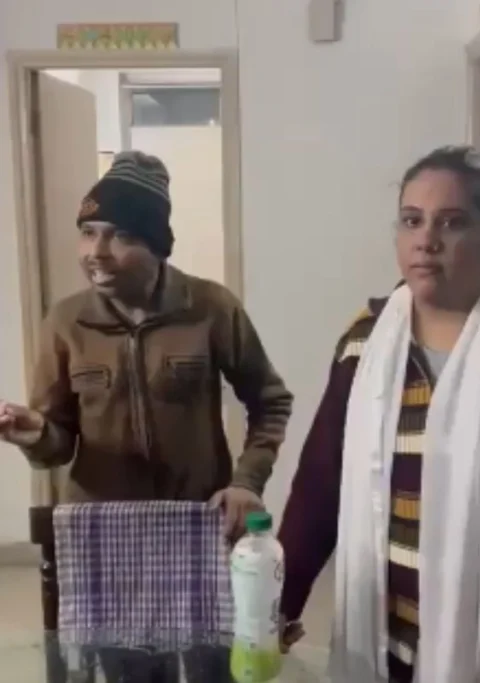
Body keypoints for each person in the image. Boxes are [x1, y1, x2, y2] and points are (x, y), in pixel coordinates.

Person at [0, 151, 294, 681]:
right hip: (105, 536)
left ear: (157, 244)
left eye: (121, 236)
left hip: (197, 525)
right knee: (124, 670)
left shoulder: (210, 307)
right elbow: (57, 446)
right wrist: (36, 433)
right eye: (88, 233)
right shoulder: (65, 322)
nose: (97, 253)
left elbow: (270, 400)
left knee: (211, 666)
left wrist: (247, 481)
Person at [276, 146, 480, 683]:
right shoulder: (367, 342)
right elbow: (321, 484)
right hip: (390, 640)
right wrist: (277, 606)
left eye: (452, 222)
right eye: (412, 221)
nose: (426, 240)